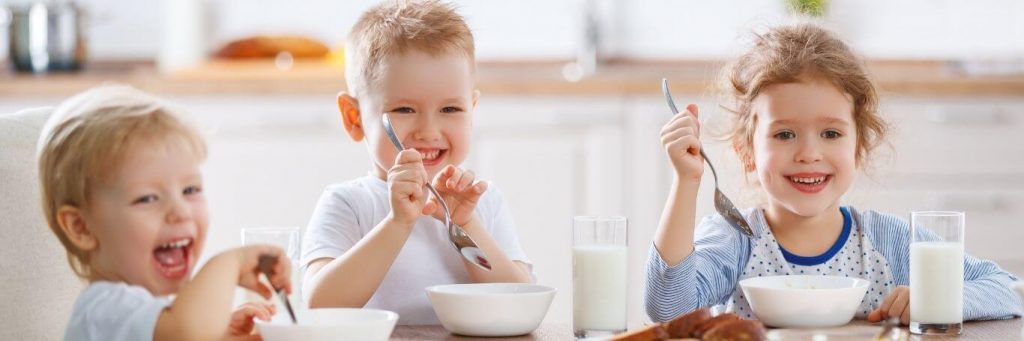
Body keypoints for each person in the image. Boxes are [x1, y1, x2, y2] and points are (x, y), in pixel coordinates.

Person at [644, 23, 1022, 325]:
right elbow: (669, 309)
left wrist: (936, 298)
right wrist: (687, 182)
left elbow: (1006, 289)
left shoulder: (887, 242)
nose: (810, 153)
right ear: (748, 153)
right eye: (784, 134)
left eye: (831, 134)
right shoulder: (736, 239)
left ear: (858, 148)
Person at [301, 0, 533, 325]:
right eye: (405, 110)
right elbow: (320, 306)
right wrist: (397, 223)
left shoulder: (484, 202)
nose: (428, 131)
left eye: (450, 110)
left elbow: (521, 301)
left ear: (472, 109)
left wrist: (465, 225)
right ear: (354, 118)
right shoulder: (348, 203)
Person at [39, 85, 292, 340]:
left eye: (190, 189)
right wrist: (230, 262)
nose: (180, 211)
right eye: (147, 198)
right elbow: (187, 331)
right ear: (81, 227)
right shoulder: (103, 307)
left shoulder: (155, 312)